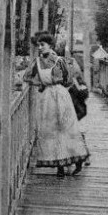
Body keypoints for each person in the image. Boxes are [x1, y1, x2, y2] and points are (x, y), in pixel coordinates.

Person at [24, 32, 91, 177]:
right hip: (47, 97)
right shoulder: (37, 62)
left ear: (50, 45)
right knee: (51, 130)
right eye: (38, 45)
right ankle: (59, 167)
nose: (40, 48)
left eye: (43, 45)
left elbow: (67, 80)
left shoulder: (59, 60)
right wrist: (41, 82)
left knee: (66, 128)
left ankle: (77, 160)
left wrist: (55, 83)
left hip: (61, 96)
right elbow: (27, 77)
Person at [58, 42, 89, 121]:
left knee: (80, 110)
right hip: (67, 90)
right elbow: (75, 75)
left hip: (70, 89)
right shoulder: (65, 61)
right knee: (79, 110)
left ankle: (71, 125)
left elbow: (76, 74)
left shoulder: (69, 61)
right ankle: (70, 125)